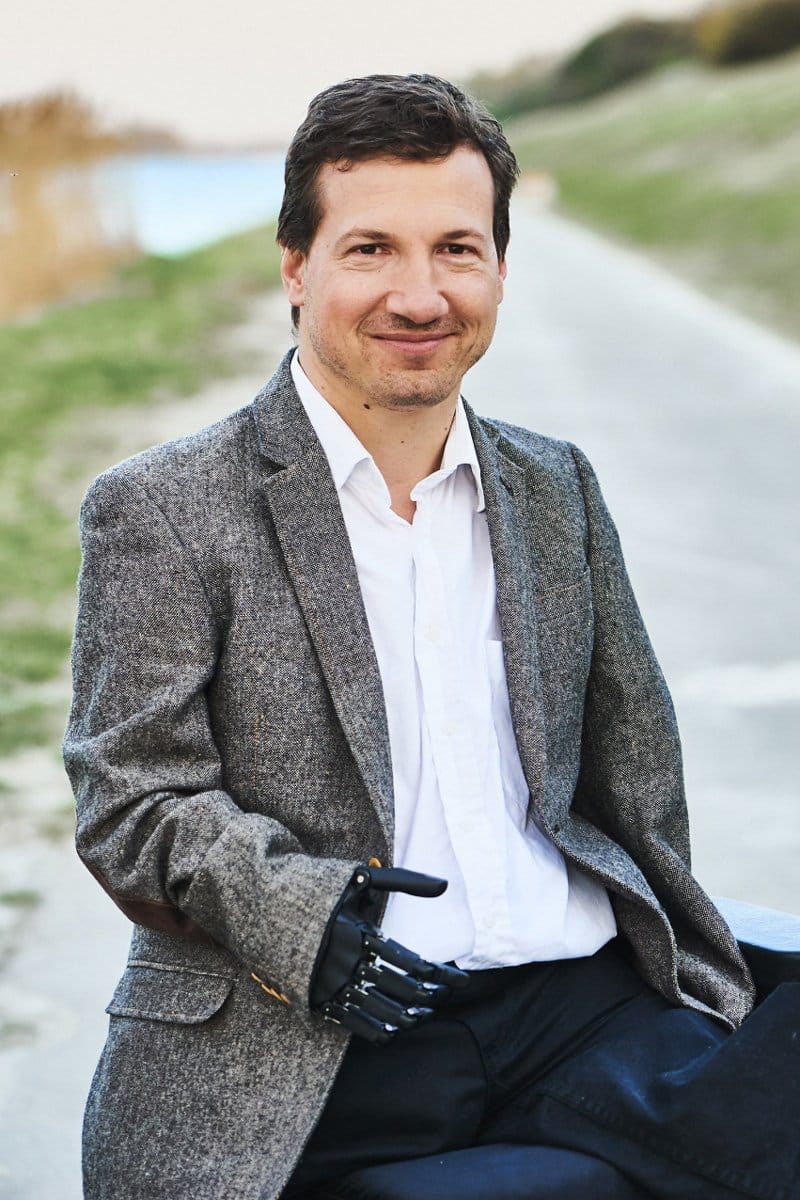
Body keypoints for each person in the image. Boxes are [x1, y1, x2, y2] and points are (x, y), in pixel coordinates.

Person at [64, 74, 799, 1200]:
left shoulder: (555, 486)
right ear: (295, 266)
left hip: (576, 1010)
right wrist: (302, 915)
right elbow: (130, 799)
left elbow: (635, 774)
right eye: (370, 250)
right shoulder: (165, 506)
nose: (420, 296)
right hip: (320, 1041)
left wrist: (690, 973)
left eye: (457, 249)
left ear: (500, 267)